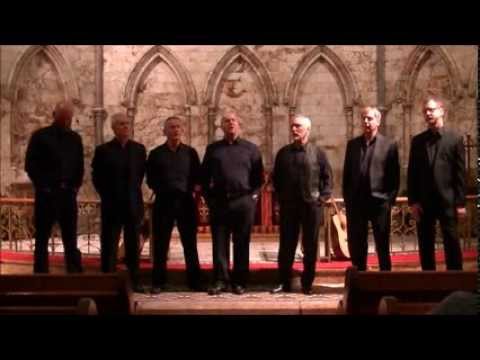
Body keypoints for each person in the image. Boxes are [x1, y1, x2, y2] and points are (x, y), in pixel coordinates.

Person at [201, 110, 264, 295]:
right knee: (219, 243)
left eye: (234, 120)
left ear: (239, 124)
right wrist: (209, 198)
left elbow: (258, 178)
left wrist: (252, 197)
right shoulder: (213, 149)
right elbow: (204, 177)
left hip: (243, 202)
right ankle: (220, 280)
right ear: (221, 126)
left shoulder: (251, 149)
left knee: (242, 242)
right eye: (227, 121)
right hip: (219, 202)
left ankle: (240, 281)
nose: (230, 123)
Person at [271, 115, 333, 295]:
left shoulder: (318, 153)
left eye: (298, 126)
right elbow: (277, 180)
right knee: (286, 245)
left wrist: (322, 199)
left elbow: (327, 179)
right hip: (289, 206)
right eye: (292, 126)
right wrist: (280, 199)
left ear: (308, 129)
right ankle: (284, 282)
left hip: (311, 206)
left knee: (310, 245)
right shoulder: (283, 153)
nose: (294, 129)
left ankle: (307, 283)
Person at [25, 99, 84, 273]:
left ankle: (73, 274)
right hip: (46, 195)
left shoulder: (75, 139)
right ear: (55, 115)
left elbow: (79, 166)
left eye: (69, 117)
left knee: (70, 238)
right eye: (64, 116)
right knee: (42, 238)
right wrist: (44, 186)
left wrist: (74, 187)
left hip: (67, 195)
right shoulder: (40, 136)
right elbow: (30, 165)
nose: (67, 120)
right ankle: (40, 276)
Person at [408, 96, 466, 270]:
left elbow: (460, 174)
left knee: (452, 243)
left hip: (447, 200)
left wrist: (460, 203)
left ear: (442, 111)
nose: (427, 113)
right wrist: (413, 202)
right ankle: (428, 281)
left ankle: (455, 282)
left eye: (431, 110)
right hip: (425, 202)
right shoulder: (417, 141)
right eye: (425, 110)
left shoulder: (454, 139)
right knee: (425, 245)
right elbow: (412, 173)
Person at [146, 116, 202, 293]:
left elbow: (197, 176)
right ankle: (158, 282)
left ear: (182, 130)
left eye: (178, 127)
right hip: (164, 202)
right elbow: (150, 179)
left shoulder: (190, 153)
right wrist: (165, 189)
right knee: (161, 245)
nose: (175, 130)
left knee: (190, 244)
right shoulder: (156, 154)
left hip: (186, 202)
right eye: (171, 127)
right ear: (164, 131)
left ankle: (194, 282)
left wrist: (189, 189)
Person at [91, 112, 147, 292]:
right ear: (113, 128)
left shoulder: (139, 149)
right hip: (111, 205)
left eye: (127, 124)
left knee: (132, 246)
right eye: (121, 124)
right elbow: (96, 177)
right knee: (109, 245)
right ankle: (108, 280)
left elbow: (140, 175)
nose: (125, 127)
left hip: (133, 204)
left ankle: (134, 281)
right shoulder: (103, 150)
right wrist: (107, 195)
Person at [342, 106, 400, 271]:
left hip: (379, 202)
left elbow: (394, 177)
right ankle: (359, 279)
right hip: (357, 203)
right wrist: (348, 200)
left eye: (370, 118)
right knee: (357, 245)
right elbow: (347, 175)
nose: (366, 121)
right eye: (364, 118)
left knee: (382, 245)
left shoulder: (389, 145)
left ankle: (385, 280)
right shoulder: (352, 145)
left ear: (378, 121)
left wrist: (389, 201)